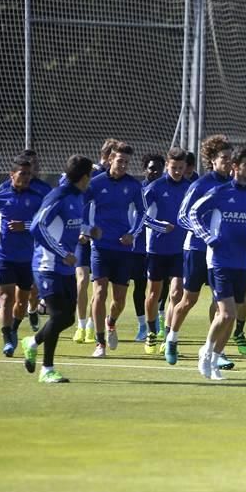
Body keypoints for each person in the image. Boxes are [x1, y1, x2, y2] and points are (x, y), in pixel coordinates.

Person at [188, 145, 246, 380]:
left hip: (243, 263)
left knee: (232, 315)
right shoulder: (220, 192)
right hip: (219, 261)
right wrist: (208, 237)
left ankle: (215, 357)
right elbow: (193, 213)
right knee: (227, 314)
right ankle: (206, 351)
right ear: (235, 167)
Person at [21, 155, 93, 383]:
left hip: (65, 269)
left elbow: (68, 224)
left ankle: (31, 342)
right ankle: (47, 369)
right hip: (47, 266)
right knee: (59, 315)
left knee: (68, 319)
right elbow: (37, 226)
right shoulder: (58, 195)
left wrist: (88, 231)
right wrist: (63, 253)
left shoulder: (78, 197)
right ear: (84, 177)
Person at [169, 135, 234, 365]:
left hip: (220, 254)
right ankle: (172, 339)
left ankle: (215, 350)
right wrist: (205, 233)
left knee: (221, 302)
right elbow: (183, 216)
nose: (228, 162)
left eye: (230, 158)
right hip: (196, 249)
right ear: (213, 161)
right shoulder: (201, 185)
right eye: (223, 158)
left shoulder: (234, 186)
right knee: (188, 300)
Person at [0, 155, 46, 357]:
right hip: (4, 257)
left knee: (22, 302)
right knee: (6, 299)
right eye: (22, 174)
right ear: (12, 175)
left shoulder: (36, 197)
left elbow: (42, 222)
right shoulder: (0, 195)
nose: (26, 178)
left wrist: (23, 226)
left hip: (28, 257)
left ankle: (15, 327)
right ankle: (7, 339)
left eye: (29, 174)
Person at [83, 141, 144, 357]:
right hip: (100, 247)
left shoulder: (134, 186)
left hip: (123, 248)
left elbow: (142, 213)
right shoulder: (96, 183)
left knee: (119, 301)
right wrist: (87, 229)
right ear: (110, 159)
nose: (123, 165)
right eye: (120, 161)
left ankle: (111, 322)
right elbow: (79, 206)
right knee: (99, 292)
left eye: (127, 162)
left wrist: (132, 234)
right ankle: (100, 343)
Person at [141, 147, 191, 355]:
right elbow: (139, 214)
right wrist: (159, 226)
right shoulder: (155, 187)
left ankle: (169, 336)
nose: (177, 171)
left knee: (177, 293)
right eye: (173, 167)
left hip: (181, 249)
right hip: (157, 248)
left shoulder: (190, 187)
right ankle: (152, 331)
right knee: (154, 293)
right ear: (167, 166)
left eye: (181, 168)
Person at [73, 138, 118, 344]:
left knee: (100, 286)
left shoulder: (116, 179)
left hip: (103, 239)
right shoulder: (89, 176)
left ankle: (92, 326)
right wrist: (82, 230)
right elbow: (79, 203)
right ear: (107, 157)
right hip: (85, 237)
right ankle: (81, 326)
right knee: (82, 281)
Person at [131, 154, 164, 342]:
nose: (155, 172)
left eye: (159, 168)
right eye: (151, 168)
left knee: (163, 286)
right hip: (139, 247)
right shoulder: (139, 189)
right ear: (145, 170)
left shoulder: (165, 187)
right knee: (141, 286)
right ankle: (143, 325)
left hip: (159, 247)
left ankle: (157, 320)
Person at [19, 149, 53, 332]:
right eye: (31, 164)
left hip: (37, 244)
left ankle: (32, 309)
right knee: (15, 291)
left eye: (36, 165)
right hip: (14, 246)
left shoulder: (44, 189)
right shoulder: (7, 187)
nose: (35, 168)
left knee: (33, 287)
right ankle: (11, 329)